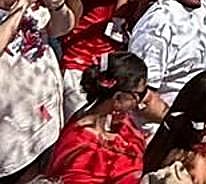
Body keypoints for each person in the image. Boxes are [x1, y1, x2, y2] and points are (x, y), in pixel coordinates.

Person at [0, 0, 75, 182]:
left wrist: (58, 4)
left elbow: (63, 28)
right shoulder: (20, 7)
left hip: (46, 125)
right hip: (12, 140)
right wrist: (21, 5)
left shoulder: (33, 6)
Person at [44, 52, 152, 184]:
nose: (142, 101)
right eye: (139, 95)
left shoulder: (112, 121)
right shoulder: (84, 150)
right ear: (117, 97)